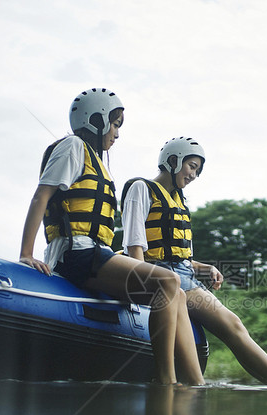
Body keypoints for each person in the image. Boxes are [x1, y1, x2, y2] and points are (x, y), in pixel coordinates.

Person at [18, 89, 204, 386]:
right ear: (95, 120)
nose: (117, 133)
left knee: (177, 293)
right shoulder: (72, 147)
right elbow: (42, 194)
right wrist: (26, 253)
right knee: (168, 282)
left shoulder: (95, 160)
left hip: (95, 253)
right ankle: (167, 381)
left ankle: (196, 385)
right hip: (75, 253)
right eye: (115, 123)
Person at [121, 137, 267, 386]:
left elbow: (181, 257)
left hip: (185, 274)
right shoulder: (141, 188)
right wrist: (143, 289)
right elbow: (135, 246)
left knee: (234, 324)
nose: (194, 175)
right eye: (192, 166)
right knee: (232, 325)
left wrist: (204, 267)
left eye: (198, 170)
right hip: (163, 275)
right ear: (173, 161)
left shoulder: (180, 201)